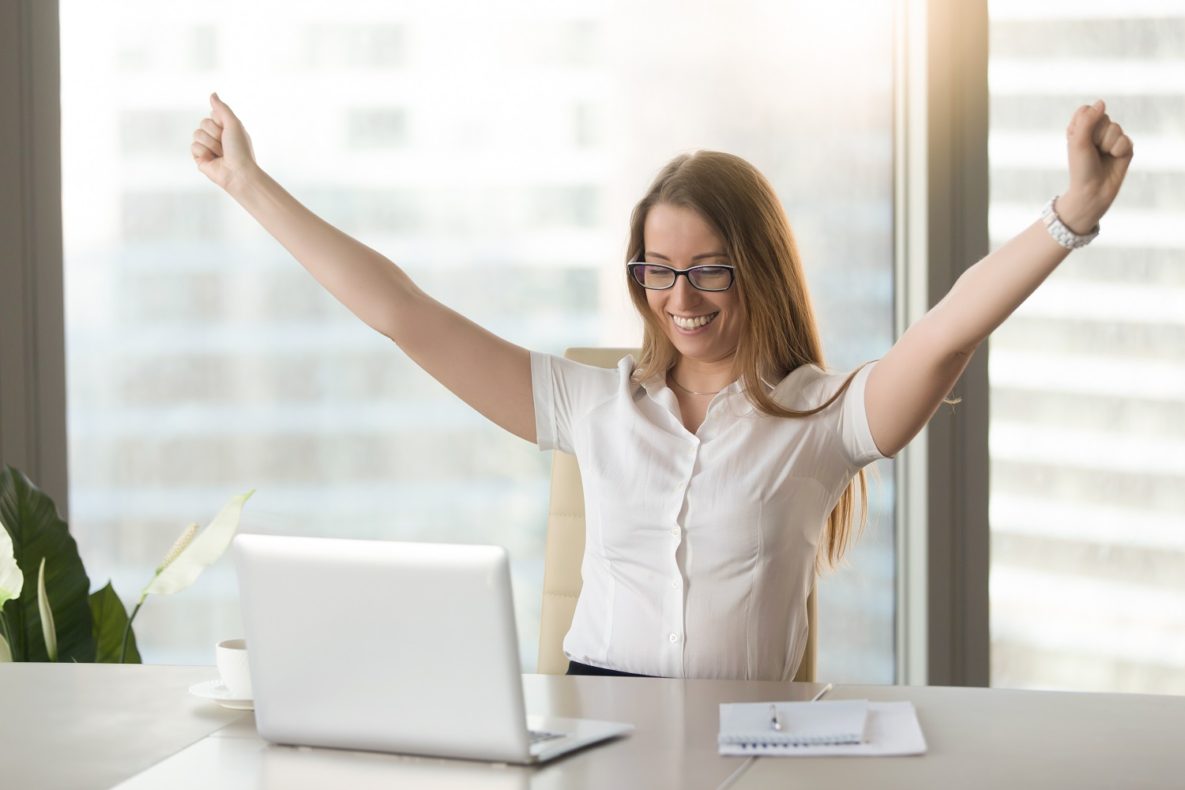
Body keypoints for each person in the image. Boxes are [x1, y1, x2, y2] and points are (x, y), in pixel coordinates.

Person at [192, 94, 1133, 681]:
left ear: (756, 267)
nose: (678, 299)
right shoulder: (593, 406)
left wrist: (1070, 217)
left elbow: (948, 327)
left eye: (708, 269)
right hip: (599, 727)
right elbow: (402, 311)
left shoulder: (820, 416)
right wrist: (248, 184)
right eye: (656, 268)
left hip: (747, 742)